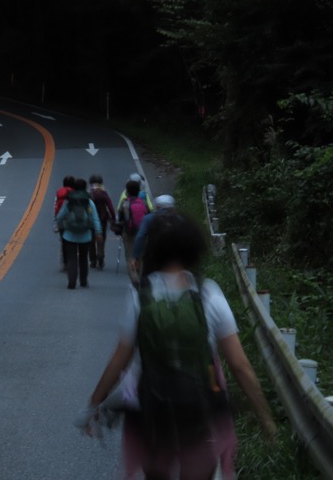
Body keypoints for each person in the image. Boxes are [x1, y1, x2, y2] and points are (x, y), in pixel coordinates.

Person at [76, 212, 278, 479]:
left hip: (152, 415)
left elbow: (119, 360)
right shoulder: (209, 294)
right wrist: (266, 419)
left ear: (153, 250)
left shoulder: (140, 297)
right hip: (200, 412)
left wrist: (93, 405)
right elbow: (239, 365)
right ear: (193, 248)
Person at [57, 178, 102, 289]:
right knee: (83, 258)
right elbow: (95, 218)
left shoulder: (69, 201)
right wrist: (98, 232)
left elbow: (60, 216)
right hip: (85, 235)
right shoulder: (88, 201)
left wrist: (61, 226)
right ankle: (83, 281)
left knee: (72, 258)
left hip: (69, 235)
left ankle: (72, 282)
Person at [129, 194, 176, 280]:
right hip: (174, 256)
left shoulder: (148, 219)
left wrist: (135, 256)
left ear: (158, 206)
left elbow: (140, 237)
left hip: (152, 255)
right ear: (172, 208)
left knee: (147, 280)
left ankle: (145, 291)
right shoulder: (179, 220)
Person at [115, 180, 149, 285]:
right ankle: (140, 275)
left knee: (130, 255)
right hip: (143, 231)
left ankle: (134, 278)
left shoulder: (125, 203)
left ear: (127, 191)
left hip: (128, 232)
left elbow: (119, 218)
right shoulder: (143, 202)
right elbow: (148, 214)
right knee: (141, 255)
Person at [88, 174, 116, 270]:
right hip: (102, 218)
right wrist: (113, 218)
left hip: (90, 219)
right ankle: (100, 257)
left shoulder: (89, 192)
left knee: (91, 240)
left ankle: (92, 260)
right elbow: (110, 206)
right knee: (101, 238)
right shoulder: (104, 192)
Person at [54, 176, 76, 271]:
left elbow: (55, 208)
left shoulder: (59, 193)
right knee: (74, 240)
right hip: (74, 220)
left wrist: (56, 222)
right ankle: (74, 260)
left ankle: (65, 262)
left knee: (63, 241)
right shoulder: (76, 193)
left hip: (62, 221)